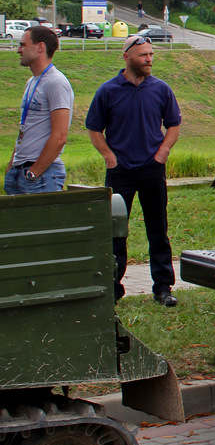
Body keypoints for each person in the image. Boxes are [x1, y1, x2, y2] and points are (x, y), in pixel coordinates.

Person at [86, 35, 182, 306]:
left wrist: (162, 153)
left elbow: (173, 124)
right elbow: (94, 128)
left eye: (151, 54)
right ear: (127, 57)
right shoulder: (108, 91)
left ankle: (163, 288)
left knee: (158, 230)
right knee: (116, 231)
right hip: (120, 172)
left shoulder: (161, 89)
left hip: (152, 170)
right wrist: (109, 156)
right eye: (143, 55)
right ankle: (112, 288)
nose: (149, 59)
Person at [5, 26, 72, 195]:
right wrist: (12, 163)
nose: (19, 50)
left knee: (41, 222)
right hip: (20, 169)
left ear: (40, 47)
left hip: (41, 175)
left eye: (23, 45)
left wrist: (34, 172)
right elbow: (27, 126)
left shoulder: (56, 82)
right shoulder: (32, 82)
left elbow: (59, 137)